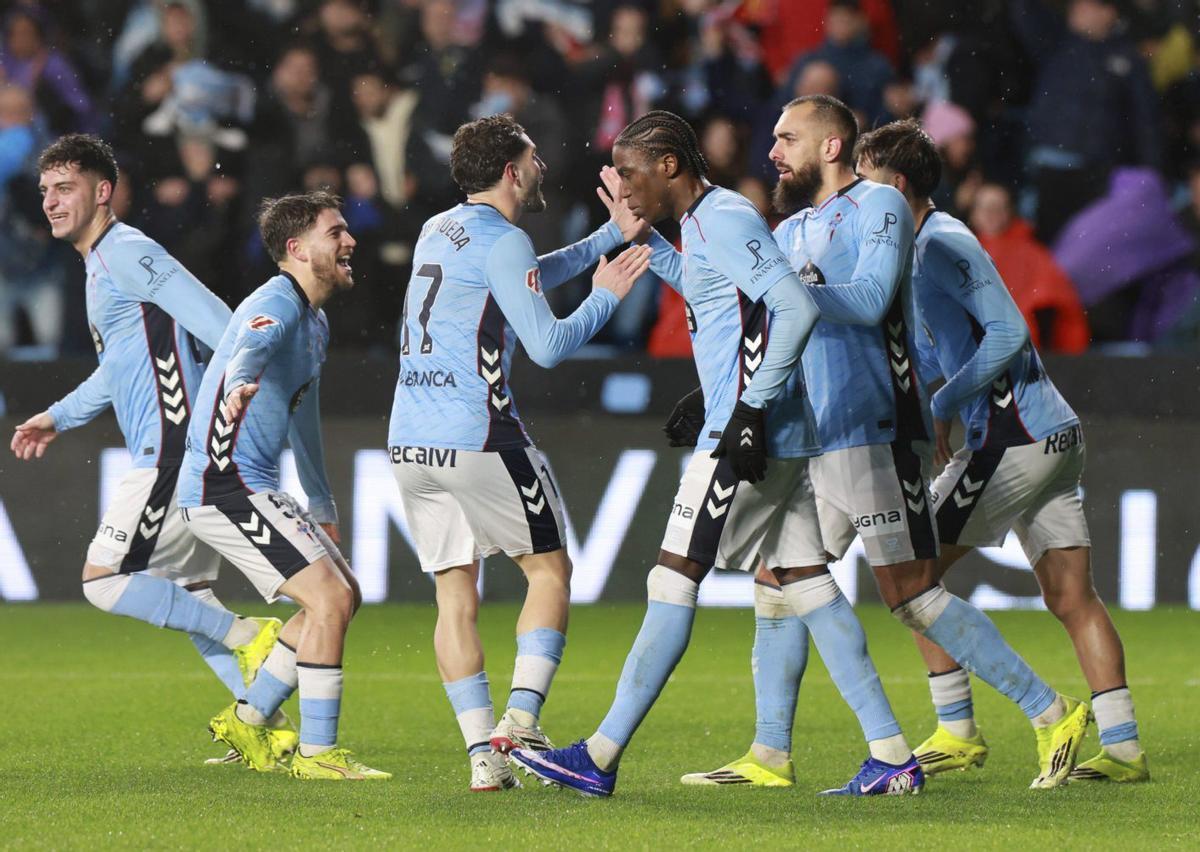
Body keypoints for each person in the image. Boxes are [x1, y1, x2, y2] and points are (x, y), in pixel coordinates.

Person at [514, 110, 922, 798]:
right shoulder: (707, 224)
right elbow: (724, 298)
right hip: (771, 427)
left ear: (669, 165)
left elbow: (791, 308)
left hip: (748, 438)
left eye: (633, 172)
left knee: (672, 578)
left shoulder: (726, 216)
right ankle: (891, 755)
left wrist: (749, 407)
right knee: (808, 583)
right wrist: (712, 383)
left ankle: (601, 756)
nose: (625, 187)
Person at [686, 96, 1090, 792]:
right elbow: (772, 323)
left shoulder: (881, 207)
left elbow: (872, 299)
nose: (774, 152)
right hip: (820, 435)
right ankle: (770, 754)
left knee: (909, 593)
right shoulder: (788, 229)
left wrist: (797, 293)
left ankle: (1052, 713)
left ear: (833, 146)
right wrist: (731, 395)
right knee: (779, 579)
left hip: (878, 429)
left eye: (788, 139)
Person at [854, 118, 1147, 783]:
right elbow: (945, 348)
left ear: (898, 187)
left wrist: (945, 403)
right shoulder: (918, 251)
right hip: (1048, 435)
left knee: (906, 575)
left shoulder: (943, 244)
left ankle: (972, 725)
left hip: (1014, 439)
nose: (856, 199)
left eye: (865, 183)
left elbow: (1008, 333)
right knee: (1072, 595)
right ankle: (1125, 747)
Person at [387, 114, 651, 792]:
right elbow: (549, 345)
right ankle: (524, 719)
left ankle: (485, 756)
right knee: (550, 571)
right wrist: (603, 296)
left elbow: (518, 276)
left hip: (410, 440)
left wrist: (602, 238)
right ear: (511, 171)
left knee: (455, 595)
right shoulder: (505, 239)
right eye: (532, 158)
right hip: (478, 435)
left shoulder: (436, 229)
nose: (540, 168)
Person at [9, 134, 289, 760]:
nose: (51, 202)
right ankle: (260, 735)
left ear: (102, 192)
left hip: (171, 444)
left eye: (66, 188)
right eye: (46, 191)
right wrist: (58, 415)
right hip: (164, 445)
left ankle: (252, 633)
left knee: (103, 580)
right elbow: (119, 369)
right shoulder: (102, 265)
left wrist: (242, 380)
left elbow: (217, 319)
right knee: (184, 594)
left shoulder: (128, 251)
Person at [177, 191, 389, 781]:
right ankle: (319, 755)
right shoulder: (276, 303)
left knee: (343, 595)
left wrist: (321, 504)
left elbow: (303, 414)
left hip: (253, 482)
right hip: (224, 484)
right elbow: (252, 344)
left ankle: (248, 720)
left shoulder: (315, 320)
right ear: (295, 249)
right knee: (328, 599)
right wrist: (240, 380)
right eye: (336, 232)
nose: (350, 241)